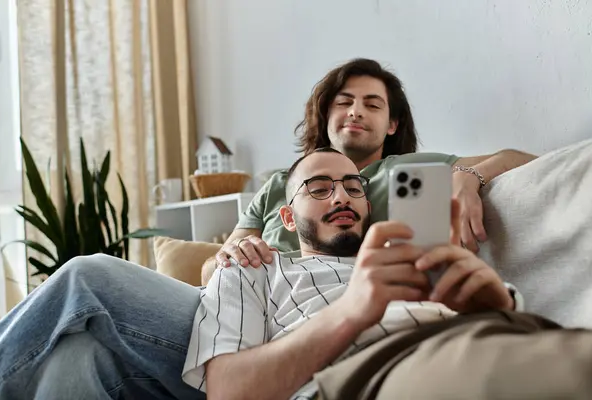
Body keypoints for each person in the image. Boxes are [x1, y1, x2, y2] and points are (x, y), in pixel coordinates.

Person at [185, 148, 592, 399]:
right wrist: (353, 310)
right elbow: (229, 392)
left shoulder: (407, 251)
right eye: (320, 187)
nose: (341, 195)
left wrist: (496, 300)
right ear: (287, 217)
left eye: (352, 186)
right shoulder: (251, 267)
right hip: (371, 371)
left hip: (504, 333)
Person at [203, 58, 537, 284]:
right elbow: (207, 273)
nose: (356, 112)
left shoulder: (407, 172)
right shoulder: (278, 184)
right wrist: (229, 257)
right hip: (247, 301)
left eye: (372, 104)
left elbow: (517, 158)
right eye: (344, 102)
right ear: (324, 115)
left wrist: (467, 176)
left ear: (392, 124)